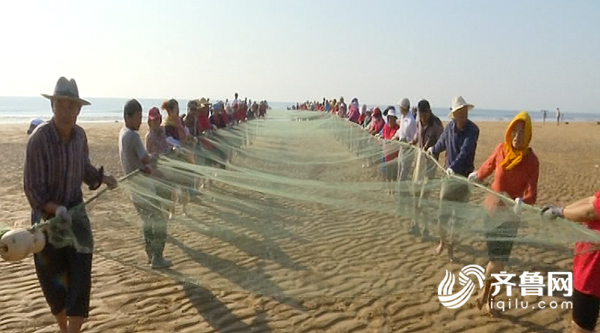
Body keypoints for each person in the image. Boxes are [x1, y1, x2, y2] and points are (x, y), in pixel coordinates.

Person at [23, 77, 118, 333]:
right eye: (61, 105)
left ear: (79, 109)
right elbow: (33, 190)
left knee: (80, 275)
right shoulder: (39, 140)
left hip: (76, 215)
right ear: (53, 106)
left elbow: (84, 168)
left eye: (71, 107)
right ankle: (64, 328)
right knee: (54, 281)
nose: (66, 112)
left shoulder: (80, 136)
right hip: (47, 221)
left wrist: (101, 178)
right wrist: (56, 209)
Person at [469, 111, 539, 316]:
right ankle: (486, 295)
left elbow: (532, 194)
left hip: (510, 219)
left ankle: (486, 295)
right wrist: (477, 176)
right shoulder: (501, 149)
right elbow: (488, 166)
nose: (517, 136)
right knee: (495, 261)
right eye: (514, 131)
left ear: (528, 136)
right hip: (490, 213)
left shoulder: (532, 161)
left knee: (500, 263)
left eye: (522, 132)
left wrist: (522, 202)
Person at [119, 99, 172, 269]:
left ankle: (151, 255)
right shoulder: (132, 136)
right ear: (127, 116)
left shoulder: (122, 133)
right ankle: (157, 257)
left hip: (135, 189)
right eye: (137, 117)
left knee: (148, 223)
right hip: (143, 188)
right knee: (160, 221)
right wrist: (154, 158)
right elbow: (145, 158)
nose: (140, 121)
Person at [428, 96, 479, 261]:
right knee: (442, 215)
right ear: (454, 114)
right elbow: (441, 144)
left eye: (464, 111)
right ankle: (442, 243)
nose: (463, 114)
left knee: (458, 219)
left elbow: (465, 152)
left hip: (463, 179)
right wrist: (432, 149)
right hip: (448, 179)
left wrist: (453, 167)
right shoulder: (449, 128)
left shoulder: (473, 130)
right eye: (459, 112)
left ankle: (451, 248)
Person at [542, 201, 600, 332]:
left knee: (581, 326)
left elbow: (590, 212)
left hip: (594, 267)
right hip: (591, 262)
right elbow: (592, 200)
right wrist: (564, 209)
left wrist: (561, 212)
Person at [408, 100, 444, 239]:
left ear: (429, 111)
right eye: (420, 115)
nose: (422, 118)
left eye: (424, 115)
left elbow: (443, 142)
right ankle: (415, 224)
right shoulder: (419, 121)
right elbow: (418, 134)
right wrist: (414, 141)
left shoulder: (436, 124)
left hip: (431, 164)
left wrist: (432, 148)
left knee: (424, 197)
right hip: (419, 161)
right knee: (416, 194)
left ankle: (426, 228)